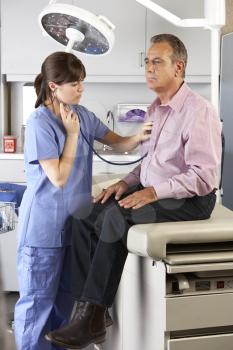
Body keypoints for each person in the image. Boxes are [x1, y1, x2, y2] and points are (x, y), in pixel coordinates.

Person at [46, 34, 222, 349]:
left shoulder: (199, 111)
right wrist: (125, 183)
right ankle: (94, 314)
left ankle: (90, 320)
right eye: (147, 62)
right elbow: (149, 164)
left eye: (157, 62)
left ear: (178, 67)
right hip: (158, 188)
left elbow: (204, 177)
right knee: (83, 215)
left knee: (115, 218)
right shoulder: (155, 109)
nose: (149, 68)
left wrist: (153, 192)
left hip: (189, 199)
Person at [14, 51, 152, 350]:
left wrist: (140, 135)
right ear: (53, 86)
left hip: (74, 229)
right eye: (75, 84)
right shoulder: (40, 122)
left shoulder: (84, 115)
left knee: (66, 306)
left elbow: (120, 143)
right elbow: (60, 177)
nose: (81, 89)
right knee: (37, 306)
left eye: (82, 82)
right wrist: (73, 135)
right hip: (43, 232)